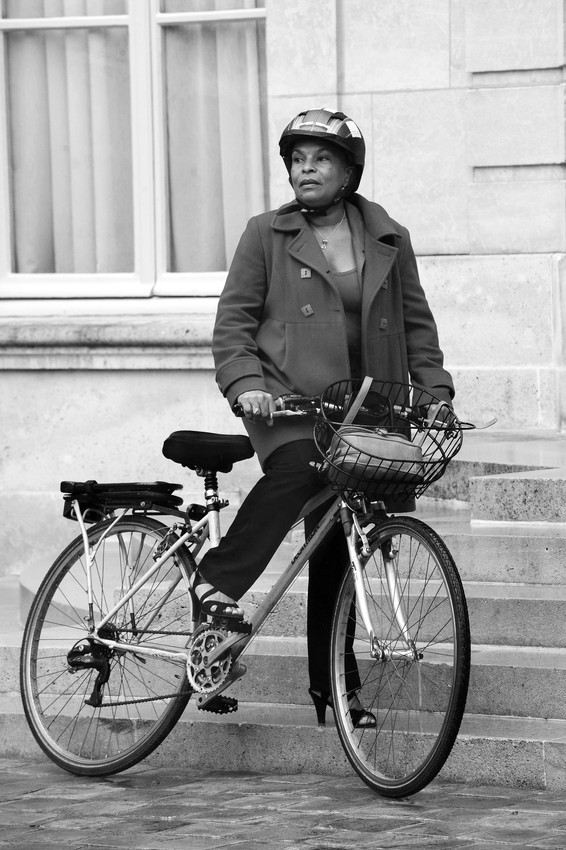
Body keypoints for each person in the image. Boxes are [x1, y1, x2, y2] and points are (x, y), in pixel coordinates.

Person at [189, 107, 455, 726]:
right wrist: (246, 385)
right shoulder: (265, 234)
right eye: (296, 160)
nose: (305, 169)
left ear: (348, 172)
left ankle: (334, 686)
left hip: (370, 413)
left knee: (340, 548)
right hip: (292, 408)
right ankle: (218, 581)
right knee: (304, 468)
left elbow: (417, 325)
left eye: (320, 159)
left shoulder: (389, 238)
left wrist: (435, 391)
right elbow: (233, 324)